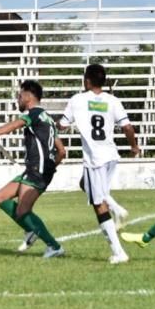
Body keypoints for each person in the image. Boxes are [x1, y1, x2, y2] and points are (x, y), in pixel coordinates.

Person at [0, 80, 67, 258]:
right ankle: (30, 230)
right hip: (36, 169)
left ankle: (54, 247)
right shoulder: (47, 118)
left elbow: (14, 125)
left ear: (28, 97)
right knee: (1, 197)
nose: (18, 99)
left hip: (36, 170)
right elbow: (62, 151)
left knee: (23, 211)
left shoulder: (34, 114)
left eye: (19, 95)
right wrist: (49, 168)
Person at [58, 64, 140, 264]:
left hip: (94, 159)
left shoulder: (77, 100)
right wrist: (134, 147)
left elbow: (62, 124)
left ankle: (118, 252)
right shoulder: (113, 100)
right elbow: (128, 127)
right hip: (111, 155)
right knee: (84, 185)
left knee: (98, 204)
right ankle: (117, 209)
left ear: (86, 80)